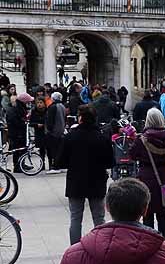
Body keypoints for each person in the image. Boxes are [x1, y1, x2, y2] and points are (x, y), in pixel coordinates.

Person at [56, 105, 115, 244]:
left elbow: (59, 162)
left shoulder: (70, 137)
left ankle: (75, 249)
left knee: (76, 218)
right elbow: (110, 162)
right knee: (99, 218)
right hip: (97, 181)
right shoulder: (101, 137)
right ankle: (100, 246)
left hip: (76, 181)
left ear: (80, 118)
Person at [130, 108, 165, 238]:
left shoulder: (142, 139)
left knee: (148, 213)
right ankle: (164, 242)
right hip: (164, 176)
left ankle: (149, 241)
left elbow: (132, 155)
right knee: (163, 214)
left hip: (146, 176)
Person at [6, 92, 32, 172]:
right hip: (17, 133)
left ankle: (21, 164)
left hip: (19, 132)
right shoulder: (16, 109)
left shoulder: (20, 108)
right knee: (17, 150)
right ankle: (17, 166)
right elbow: (14, 121)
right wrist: (23, 123)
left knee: (22, 149)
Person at [44, 91, 67, 174]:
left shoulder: (52, 107)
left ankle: (55, 166)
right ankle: (60, 165)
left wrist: (49, 130)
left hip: (53, 132)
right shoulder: (63, 106)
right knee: (59, 149)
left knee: (53, 150)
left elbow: (50, 120)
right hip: (61, 130)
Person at [29, 96, 48, 170]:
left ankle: (51, 164)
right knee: (42, 149)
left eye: (41, 103)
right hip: (39, 132)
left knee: (49, 149)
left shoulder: (47, 110)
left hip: (46, 132)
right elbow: (31, 123)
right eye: (38, 103)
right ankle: (42, 164)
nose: (39, 104)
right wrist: (37, 125)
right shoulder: (34, 111)